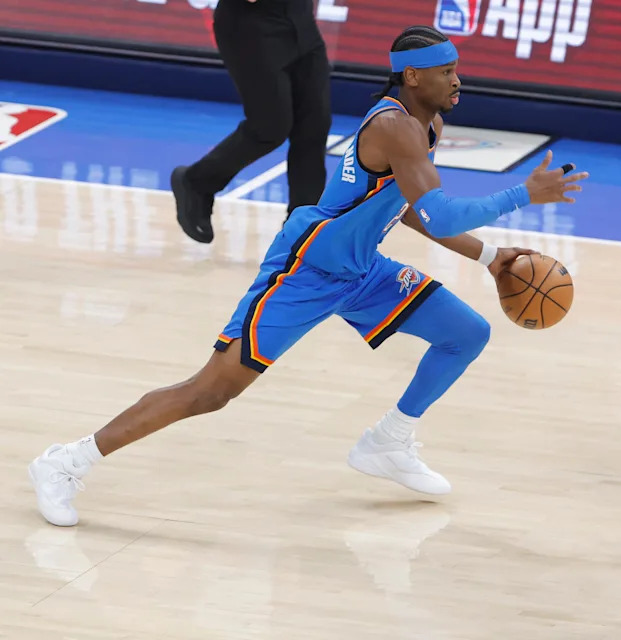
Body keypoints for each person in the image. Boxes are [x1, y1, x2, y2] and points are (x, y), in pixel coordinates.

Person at [28, 25, 588, 527]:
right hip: (306, 269)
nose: (457, 80)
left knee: (466, 333)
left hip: (362, 269)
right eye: (447, 72)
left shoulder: (427, 123)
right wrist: (522, 195)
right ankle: (66, 462)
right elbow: (439, 212)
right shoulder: (396, 127)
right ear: (413, 76)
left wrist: (488, 256)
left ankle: (389, 442)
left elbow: (407, 208)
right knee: (211, 392)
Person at [171, 0, 332, 243]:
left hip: (300, 20)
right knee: (270, 127)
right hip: (253, 28)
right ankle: (196, 182)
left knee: (314, 124)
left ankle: (304, 228)